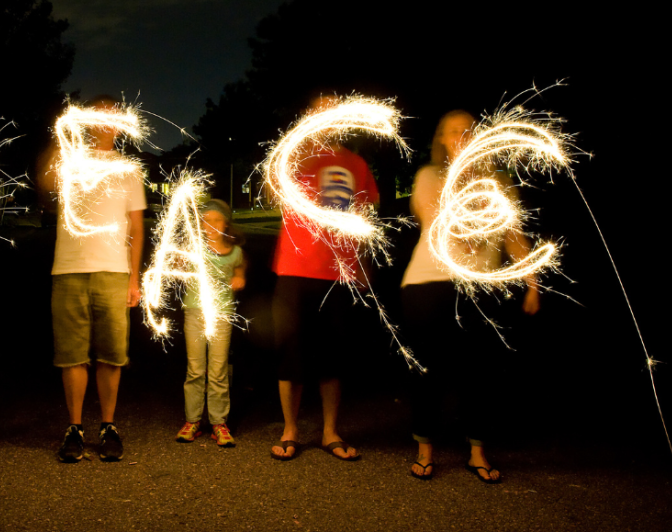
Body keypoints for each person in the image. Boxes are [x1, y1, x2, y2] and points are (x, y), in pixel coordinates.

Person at [400, 109, 540, 483]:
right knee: (428, 368)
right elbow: (445, 224)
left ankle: (478, 451)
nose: (462, 136)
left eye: (469, 131)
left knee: (481, 371)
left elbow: (512, 236)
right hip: (430, 282)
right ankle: (425, 449)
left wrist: (531, 282)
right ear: (442, 140)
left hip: (482, 286)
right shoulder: (430, 177)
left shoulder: (500, 182)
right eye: (453, 132)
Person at [37, 95, 146, 463]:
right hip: (68, 269)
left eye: (114, 118)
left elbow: (136, 227)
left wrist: (134, 278)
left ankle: (108, 425)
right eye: (99, 117)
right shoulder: (69, 160)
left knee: (112, 356)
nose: (106, 124)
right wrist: (61, 133)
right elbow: (45, 180)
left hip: (113, 271)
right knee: (72, 356)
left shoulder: (129, 168)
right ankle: (75, 427)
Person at [269, 94, 379, 461]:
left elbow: (364, 218)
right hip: (295, 270)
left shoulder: (356, 163)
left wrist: (363, 265)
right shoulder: (295, 156)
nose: (326, 117)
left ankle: (330, 431)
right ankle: (290, 430)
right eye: (318, 111)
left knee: (333, 355)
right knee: (291, 353)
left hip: (339, 274)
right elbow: (271, 193)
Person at [175, 199, 246, 447]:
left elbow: (239, 272)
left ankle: (218, 423)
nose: (211, 225)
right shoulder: (194, 248)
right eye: (206, 220)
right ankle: (192, 421)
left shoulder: (235, 252)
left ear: (226, 223)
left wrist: (238, 279)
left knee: (218, 370)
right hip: (195, 312)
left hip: (222, 314)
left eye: (217, 220)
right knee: (195, 369)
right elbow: (178, 266)